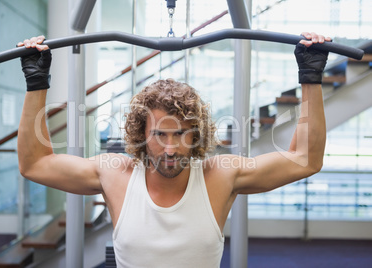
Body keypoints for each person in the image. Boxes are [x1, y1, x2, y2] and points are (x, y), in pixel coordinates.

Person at [17, 32, 330, 267]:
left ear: (195, 135)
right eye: (159, 135)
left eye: (180, 134)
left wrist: (310, 77)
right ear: (141, 134)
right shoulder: (116, 174)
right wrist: (36, 83)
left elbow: (305, 160)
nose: (170, 148)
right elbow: (35, 164)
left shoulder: (220, 175)